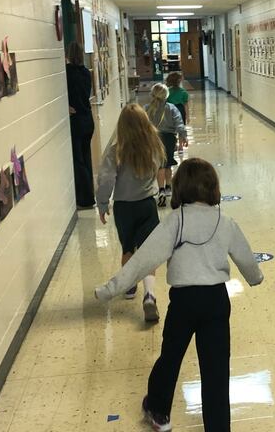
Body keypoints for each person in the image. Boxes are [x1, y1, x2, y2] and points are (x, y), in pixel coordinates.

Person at [94, 158, 263, 432]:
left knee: (170, 358)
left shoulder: (175, 222)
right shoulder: (225, 221)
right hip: (216, 301)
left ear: (180, 187)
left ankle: (158, 411)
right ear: (213, 188)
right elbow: (245, 258)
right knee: (216, 368)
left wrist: (109, 289)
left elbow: (143, 261)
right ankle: (218, 427)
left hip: (184, 302)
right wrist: (255, 278)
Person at [96, 104, 166, 322]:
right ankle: (150, 295)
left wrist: (101, 203)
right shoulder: (154, 145)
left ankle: (129, 287)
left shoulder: (117, 148)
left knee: (128, 248)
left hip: (124, 206)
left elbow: (106, 178)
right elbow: (158, 169)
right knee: (148, 252)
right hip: (147, 204)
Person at [144, 83, 187, 208]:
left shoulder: (146, 108)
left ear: (152, 95)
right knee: (168, 163)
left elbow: (141, 125)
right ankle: (168, 187)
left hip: (154, 138)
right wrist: (183, 136)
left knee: (160, 165)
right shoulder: (171, 108)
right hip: (169, 138)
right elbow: (179, 123)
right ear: (166, 95)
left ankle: (161, 189)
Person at [65, 41, 96, 209]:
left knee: (78, 161)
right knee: (86, 157)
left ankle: (85, 198)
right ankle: (90, 192)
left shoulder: (67, 73)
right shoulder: (86, 72)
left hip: (76, 120)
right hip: (88, 118)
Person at [165, 71, 190, 151]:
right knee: (181, 127)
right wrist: (187, 116)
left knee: (170, 128)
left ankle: (174, 144)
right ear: (179, 81)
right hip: (180, 110)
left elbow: (164, 103)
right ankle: (180, 146)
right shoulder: (184, 92)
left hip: (169, 110)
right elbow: (186, 105)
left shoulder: (167, 92)